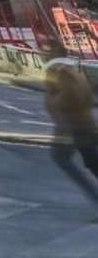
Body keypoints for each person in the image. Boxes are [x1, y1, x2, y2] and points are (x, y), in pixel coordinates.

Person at [44, 56, 98, 204]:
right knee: (92, 162)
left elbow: (63, 106)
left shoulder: (62, 77)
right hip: (85, 127)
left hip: (73, 130)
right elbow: (89, 100)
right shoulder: (78, 77)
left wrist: (64, 129)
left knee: (62, 158)